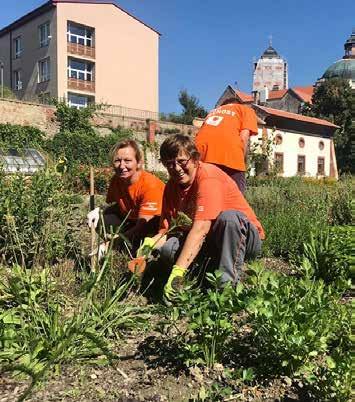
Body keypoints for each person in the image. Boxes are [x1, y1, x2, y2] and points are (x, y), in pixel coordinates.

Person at [142, 134, 264, 299]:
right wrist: (149, 245)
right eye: (169, 164)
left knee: (229, 218)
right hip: (212, 241)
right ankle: (204, 273)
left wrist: (178, 271)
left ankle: (225, 289)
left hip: (243, 239)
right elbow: (167, 231)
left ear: (194, 159)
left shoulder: (208, 177)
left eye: (181, 161)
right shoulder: (171, 187)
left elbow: (200, 229)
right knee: (168, 248)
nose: (176, 168)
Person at [87, 139, 165, 254]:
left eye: (127, 161)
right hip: (131, 220)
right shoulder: (117, 180)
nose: (122, 166)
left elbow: (142, 227)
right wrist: (99, 210)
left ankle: (125, 251)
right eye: (117, 161)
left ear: (138, 163)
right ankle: (119, 247)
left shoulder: (150, 186)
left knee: (139, 242)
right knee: (101, 220)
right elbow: (114, 205)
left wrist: (108, 245)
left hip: (152, 227)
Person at [195, 99, 258, 194]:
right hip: (230, 153)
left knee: (207, 196)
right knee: (235, 199)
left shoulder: (211, 113)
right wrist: (242, 161)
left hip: (200, 155)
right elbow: (244, 137)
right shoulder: (245, 109)